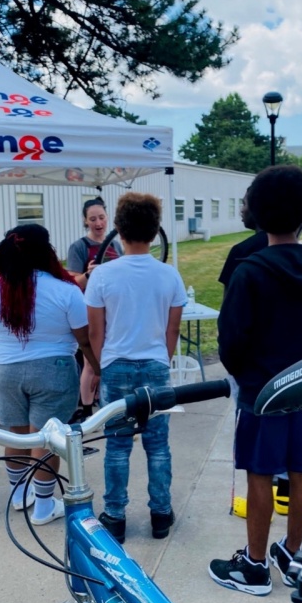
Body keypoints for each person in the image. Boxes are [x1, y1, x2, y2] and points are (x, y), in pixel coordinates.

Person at [209, 165, 302, 596]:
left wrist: (245, 375)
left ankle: (253, 565)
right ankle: (292, 551)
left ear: (258, 214)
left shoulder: (250, 271)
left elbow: (230, 341)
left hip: (261, 392)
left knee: (260, 474)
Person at [0, 224, 100, 525]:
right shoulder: (66, 289)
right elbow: (83, 339)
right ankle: (44, 505)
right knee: (46, 438)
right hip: (53, 369)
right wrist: (96, 367)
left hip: (6, 368)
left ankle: (19, 496)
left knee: (15, 433)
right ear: (47, 251)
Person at [85, 192, 186, 544]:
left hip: (116, 365)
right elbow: (173, 329)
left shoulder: (103, 275)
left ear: (118, 229)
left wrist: (102, 364)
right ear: (155, 229)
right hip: (156, 364)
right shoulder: (168, 275)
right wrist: (163, 358)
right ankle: (160, 513)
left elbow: (96, 330)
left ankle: (115, 516)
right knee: (158, 445)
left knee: (117, 445)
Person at [66, 197, 123, 420]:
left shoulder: (116, 245)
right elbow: (71, 284)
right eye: (93, 219)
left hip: (113, 310)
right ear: (85, 221)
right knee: (91, 360)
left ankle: (106, 404)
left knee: (111, 357)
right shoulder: (79, 247)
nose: (98, 223)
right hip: (90, 310)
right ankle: (87, 411)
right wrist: (88, 274)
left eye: (101, 217)